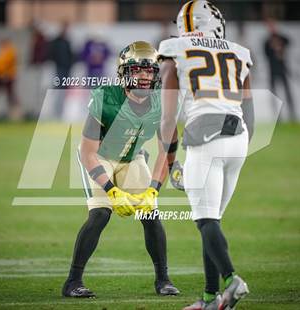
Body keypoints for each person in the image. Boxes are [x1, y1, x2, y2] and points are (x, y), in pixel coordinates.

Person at [62, 41, 180, 298]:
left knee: (150, 213)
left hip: (132, 156)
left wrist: (153, 190)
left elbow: (166, 152)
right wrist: (112, 190)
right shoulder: (105, 96)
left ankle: (163, 280)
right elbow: (87, 153)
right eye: (138, 70)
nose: (145, 77)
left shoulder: (162, 100)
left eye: (150, 71)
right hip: (99, 156)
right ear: (124, 72)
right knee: (100, 214)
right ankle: (72, 282)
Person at [158, 1, 254, 309]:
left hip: (204, 138)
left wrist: (171, 163)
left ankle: (231, 280)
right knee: (211, 220)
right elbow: (249, 109)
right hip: (238, 136)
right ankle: (211, 298)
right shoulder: (239, 52)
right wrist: (242, 144)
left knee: (205, 220)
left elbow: (168, 120)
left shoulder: (175, 51)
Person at [264, 19, 296, 121]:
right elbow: (266, 53)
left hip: (282, 69)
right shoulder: (267, 41)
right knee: (274, 95)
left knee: (287, 93)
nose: (272, 28)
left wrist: (280, 45)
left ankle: (292, 114)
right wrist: (273, 48)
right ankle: (277, 116)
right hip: (273, 70)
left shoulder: (280, 38)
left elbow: (288, 41)